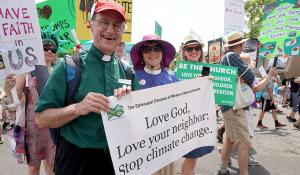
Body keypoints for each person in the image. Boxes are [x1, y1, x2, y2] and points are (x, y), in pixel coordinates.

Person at [35, 1, 139, 175]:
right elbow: (41, 119)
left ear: (123, 31)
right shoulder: (68, 67)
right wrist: (77, 108)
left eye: (117, 25)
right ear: (91, 25)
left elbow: (137, 121)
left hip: (116, 160)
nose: (110, 30)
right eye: (104, 22)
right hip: (76, 161)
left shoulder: (128, 72)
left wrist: (129, 106)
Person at [4, 24, 61, 174]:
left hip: (53, 127)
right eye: (45, 47)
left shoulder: (60, 72)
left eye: (53, 48)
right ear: (37, 49)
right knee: (33, 167)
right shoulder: (27, 72)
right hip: (32, 128)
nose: (49, 50)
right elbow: (16, 99)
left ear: (56, 53)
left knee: (52, 166)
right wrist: (8, 87)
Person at [130, 34, 177, 175]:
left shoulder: (173, 78)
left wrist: (203, 84)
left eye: (157, 48)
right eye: (147, 49)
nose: (152, 53)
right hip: (139, 145)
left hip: (166, 144)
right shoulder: (132, 76)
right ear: (141, 54)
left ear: (163, 52)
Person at [218, 32, 255, 175]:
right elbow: (250, 77)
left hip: (228, 105)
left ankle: (222, 169)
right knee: (245, 143)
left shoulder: (225, 57)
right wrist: (247, 70)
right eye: (243, 44)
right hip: (235, 106)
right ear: (240, 45)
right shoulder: (232, 56)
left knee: (230, 139)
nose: (244, 46)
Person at [179, 31, 214, 175]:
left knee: (193, 159)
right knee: (191, 159)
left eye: (197, 48)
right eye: (189, 48)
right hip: (187, 121)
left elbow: (217, 94)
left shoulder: (208, 69)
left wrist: (234, 82)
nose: (194, 51)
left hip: (202, 120)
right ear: (184, 52)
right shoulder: (179, 72)